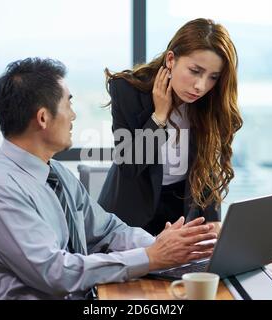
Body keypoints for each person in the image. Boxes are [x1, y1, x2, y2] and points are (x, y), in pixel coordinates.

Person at [0, 57, 217, 300]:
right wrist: (150, 257)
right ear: (43, 117)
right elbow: (55, 272)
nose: (73, 115)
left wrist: (172, 248)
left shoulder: (56, 173)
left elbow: (108, 230)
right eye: (68, 104)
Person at [98, 18, 242, 235]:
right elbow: (129, 166)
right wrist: (159, 117)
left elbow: (207, 167)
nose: (200, 86)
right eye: (195, 70)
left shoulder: (209, 104)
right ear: (171, 59)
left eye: (213, 77)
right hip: (129, 216)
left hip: (181, 212)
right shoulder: (127, 91)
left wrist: (212, 223)